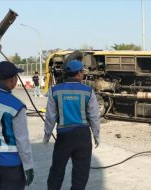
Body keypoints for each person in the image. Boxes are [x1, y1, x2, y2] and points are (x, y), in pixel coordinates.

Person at [43, 60, 100, 190]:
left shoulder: (55, 90)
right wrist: (96, 135)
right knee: (81, 172)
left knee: (57, 170)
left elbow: (50, 116)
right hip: (83, 136)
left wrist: (47, 134)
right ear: (79, 73)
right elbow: (94, 117)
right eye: (82, 73)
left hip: (64, 136)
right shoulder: (88, 91)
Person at [0, 61, 34, 189]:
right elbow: (22, 141)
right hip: (10, 167)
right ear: (13, 80)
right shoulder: (16, 106)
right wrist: (28, 166)